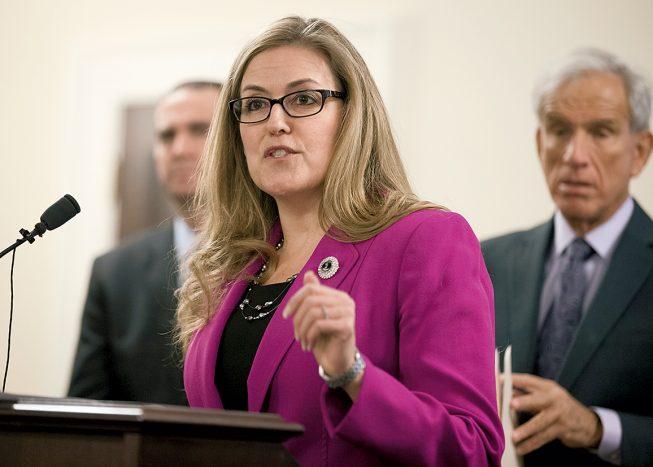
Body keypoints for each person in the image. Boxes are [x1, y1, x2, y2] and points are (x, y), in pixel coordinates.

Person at [176, 16, 503, 466]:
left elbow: (472, 450)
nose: (275, 121)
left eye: (304, 99)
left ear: (351, 116)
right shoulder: (230, 266)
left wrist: (351, 372)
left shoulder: (425, 240)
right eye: (253, 105)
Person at [483, 48, 653, 466]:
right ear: (541, 143)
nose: (575, 156)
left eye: (601, 132)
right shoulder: (486, 259)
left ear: (640, 151)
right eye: (559, 130)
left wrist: (596, 427)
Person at [69, 81, 222, 404]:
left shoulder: (279, 254)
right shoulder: (113, 272)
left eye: (200, 130)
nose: (179, 149)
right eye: (167, 136)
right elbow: (84, 411)